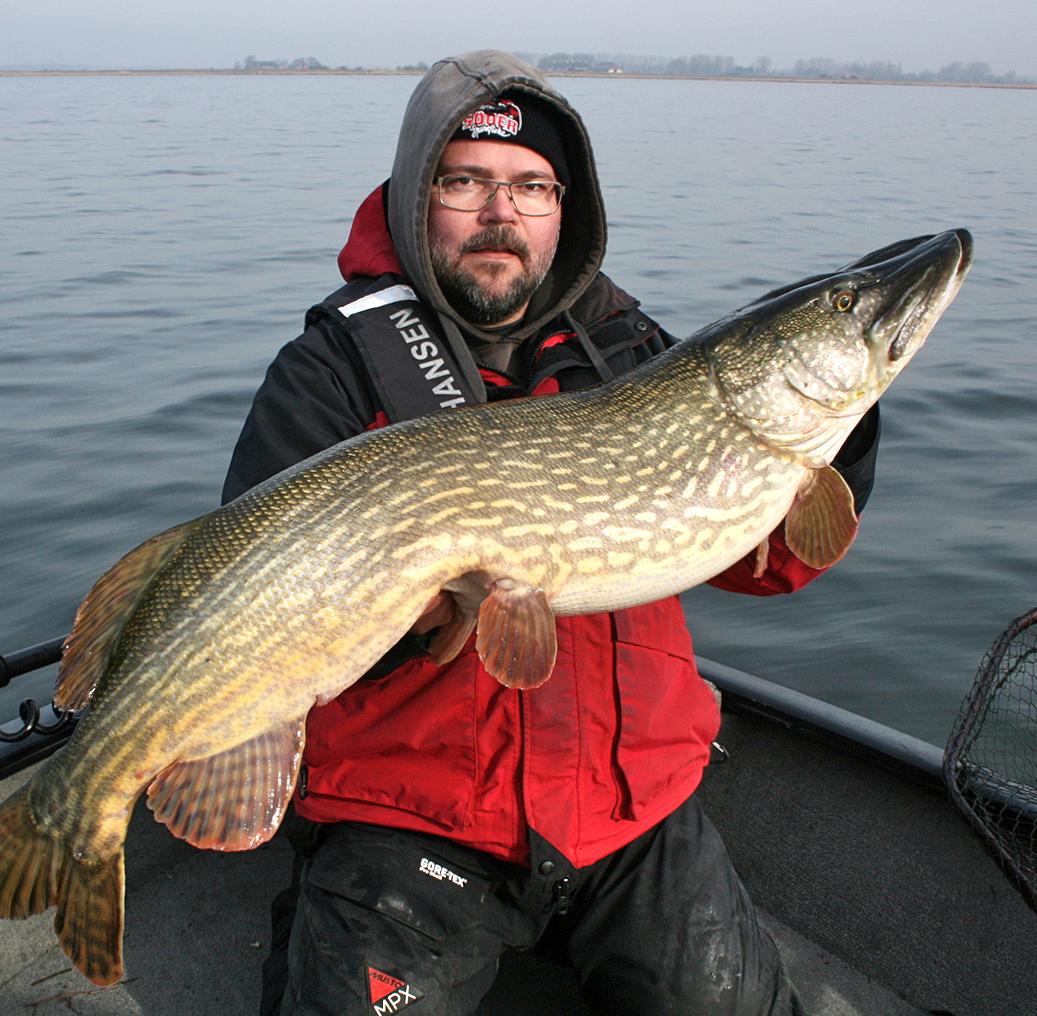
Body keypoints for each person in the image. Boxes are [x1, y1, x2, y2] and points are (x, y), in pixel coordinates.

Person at [224, 50, 878, 1016]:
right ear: (416, 198)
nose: (502, 212)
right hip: (412, 816)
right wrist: (412, 607)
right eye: (467, 182)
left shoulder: (636, 357)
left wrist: (840, 433)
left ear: (563, 209)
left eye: (531, 185)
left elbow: (764, 564)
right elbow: (251, 614)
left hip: (634, 809)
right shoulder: (330, 374)